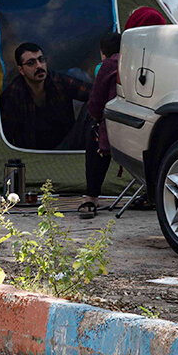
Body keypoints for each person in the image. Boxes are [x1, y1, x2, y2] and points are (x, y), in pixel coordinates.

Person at [0, 42, 92, 150]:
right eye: (31, 63)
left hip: (67, 148)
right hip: (32, 154)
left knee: (93, 103)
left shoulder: (57, 81)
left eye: (41, 60)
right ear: (21, 70)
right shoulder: (13, 95)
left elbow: (94, 93)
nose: (39, 66)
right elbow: (6, 134)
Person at [79, 32, 122, 219]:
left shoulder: (108, 65)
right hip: (142, 128)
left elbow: (96, 104)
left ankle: (91, 197)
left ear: (102, 53)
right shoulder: (139, 61)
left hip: (117, 127)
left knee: (95, 131)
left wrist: (94, 117)